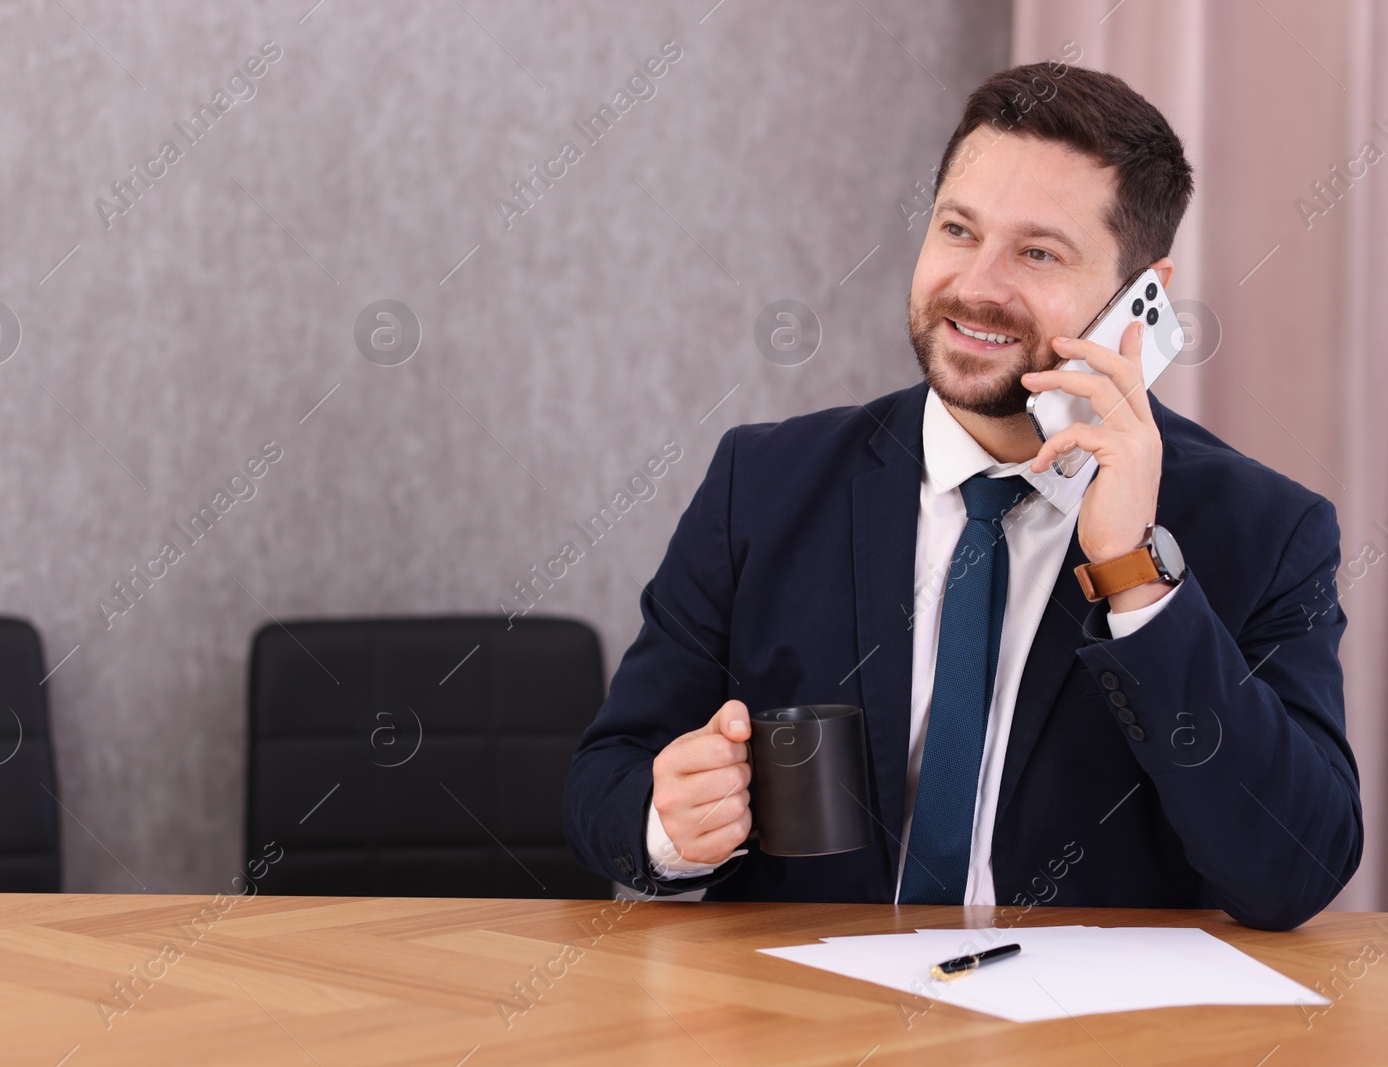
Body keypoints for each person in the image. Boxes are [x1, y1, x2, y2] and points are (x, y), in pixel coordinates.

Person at [562, 63, 1361, 931]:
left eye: (1038, 251)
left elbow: (1296, 872)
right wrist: (670, 824)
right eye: (957, 229)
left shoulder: (1268, 531)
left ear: (1144, 299)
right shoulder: (761, 485)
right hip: (806, 1025)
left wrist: (1136, 575)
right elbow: (605, 779)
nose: (977, 285)